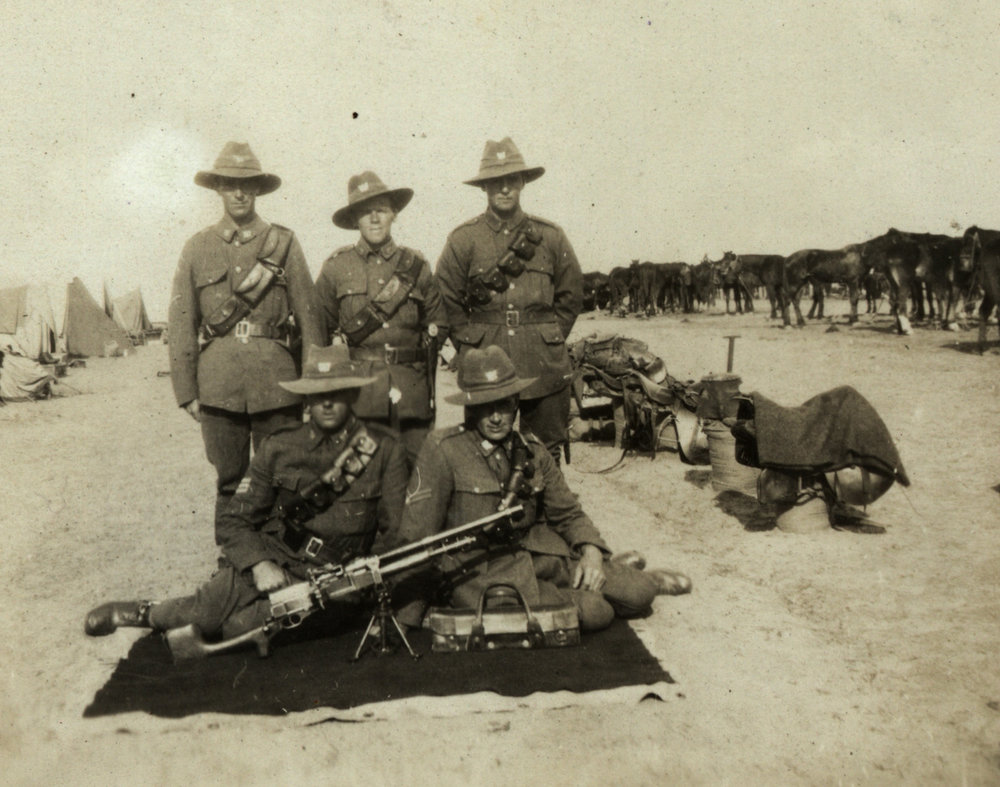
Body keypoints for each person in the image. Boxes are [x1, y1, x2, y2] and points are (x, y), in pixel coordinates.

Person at [85, 344, 408, 642]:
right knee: (204, 614)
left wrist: (361, 581)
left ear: (352, 394)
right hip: (275, 554)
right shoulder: (279, 446)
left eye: (336, 393)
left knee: (240, 629)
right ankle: (144, 612)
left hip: (332, 578)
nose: (326, 402)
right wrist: (259, 563)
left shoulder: (382, 450)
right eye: (317, 394)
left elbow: (395, 534)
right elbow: (234, 519)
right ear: (306, 399)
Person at [396, 346, 690, 632]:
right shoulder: (443, 450)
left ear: (515, 402)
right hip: (484, 573)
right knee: (595, 612)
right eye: (485, 407)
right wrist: (407, 615)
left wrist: (590, 552)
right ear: (470, 408)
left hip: (541, 554)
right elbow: (418, 535)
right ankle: (607, 580)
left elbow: (568, 512)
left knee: (640, 593)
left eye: (504, 404)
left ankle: (631, 574)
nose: (496, 417)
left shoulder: (530, 449)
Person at [168, 141, 323, 541]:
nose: (239, 193)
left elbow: (310, 319)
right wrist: (187, 392)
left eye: (247, 185)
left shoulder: (284, 243)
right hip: (218, 387)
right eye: (230, 184)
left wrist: (313, 385)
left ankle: (281, 557)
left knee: (284, 477)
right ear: (218, 189)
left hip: (278, 385)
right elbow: (181, 322)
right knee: (229, 480)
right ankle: (232, 558)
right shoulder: (197, 247)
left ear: (258, 189)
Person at [435, 137, 583, 464]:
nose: (504, 188)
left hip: (543, 362)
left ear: (522, 183)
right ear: (484, 187)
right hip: (485, 359)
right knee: (484, 453)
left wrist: (549, 337)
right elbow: (446, 297)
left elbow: (571, 295)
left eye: (511, 180)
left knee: (544, 454)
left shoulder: (550, 236)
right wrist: (471, 347)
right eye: (495, 181)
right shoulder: (464, 239)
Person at [315, 171, 448, 468]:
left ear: (394, 214)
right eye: (365, 212)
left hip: (411, 393)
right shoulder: (336, 267)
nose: (374, 219)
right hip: (360, 395)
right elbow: (319, 329)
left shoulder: (416, 266)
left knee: (417, 475)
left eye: (382, 210)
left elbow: (438, 325)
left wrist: (418, 371)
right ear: (355, 220)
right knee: (362, 476)